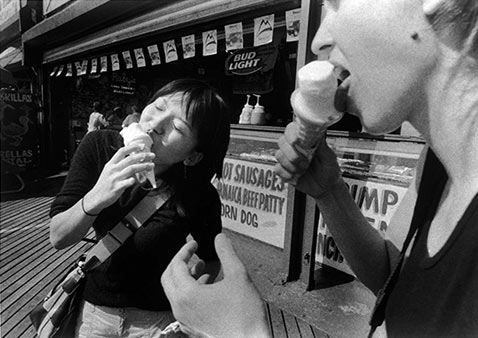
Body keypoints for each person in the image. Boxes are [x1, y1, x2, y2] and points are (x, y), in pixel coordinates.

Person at [161, 1, 478, 337]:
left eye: (336, 2)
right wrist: (330, 192)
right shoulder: (438, 164)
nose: (317, 42)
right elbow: (394, 276)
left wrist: (245, 332)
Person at [49, 79, 231, 337]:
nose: (155, 125)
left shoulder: (198, 193)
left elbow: (210, 258)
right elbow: (57, 237)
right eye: (157, 107)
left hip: (156, 321)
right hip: (94, 314)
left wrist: (189, 305)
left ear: (192, 156)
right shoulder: (99, 147)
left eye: (176, 127)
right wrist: (98, 196)